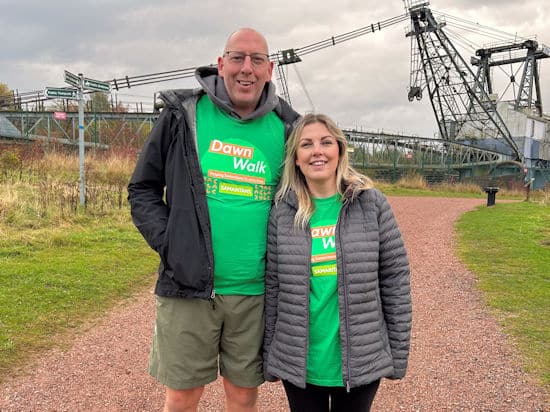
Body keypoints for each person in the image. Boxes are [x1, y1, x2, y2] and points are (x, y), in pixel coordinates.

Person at [128, 28, 299, 412]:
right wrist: (173, 244)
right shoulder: (183, 115)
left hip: (255, 292)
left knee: (242, 395)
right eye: (237, 58)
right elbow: (142, 189)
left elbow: (313, 191)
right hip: (190, 287)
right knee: (183, 395)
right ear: (220, 64)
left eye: (257, 60)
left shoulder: (289, 128)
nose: (246, 69)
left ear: (270, 69)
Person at [263, 113, 412, 412]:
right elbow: (273, 287)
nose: (317, 150)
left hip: (361, 359)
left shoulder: (372, 204)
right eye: (306, 144)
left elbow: (395, 280)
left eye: (326, 142)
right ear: (295, 158)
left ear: (339, 150)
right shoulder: (283, 212)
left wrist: (397, 353)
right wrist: (270, 354)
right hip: (302, 364)